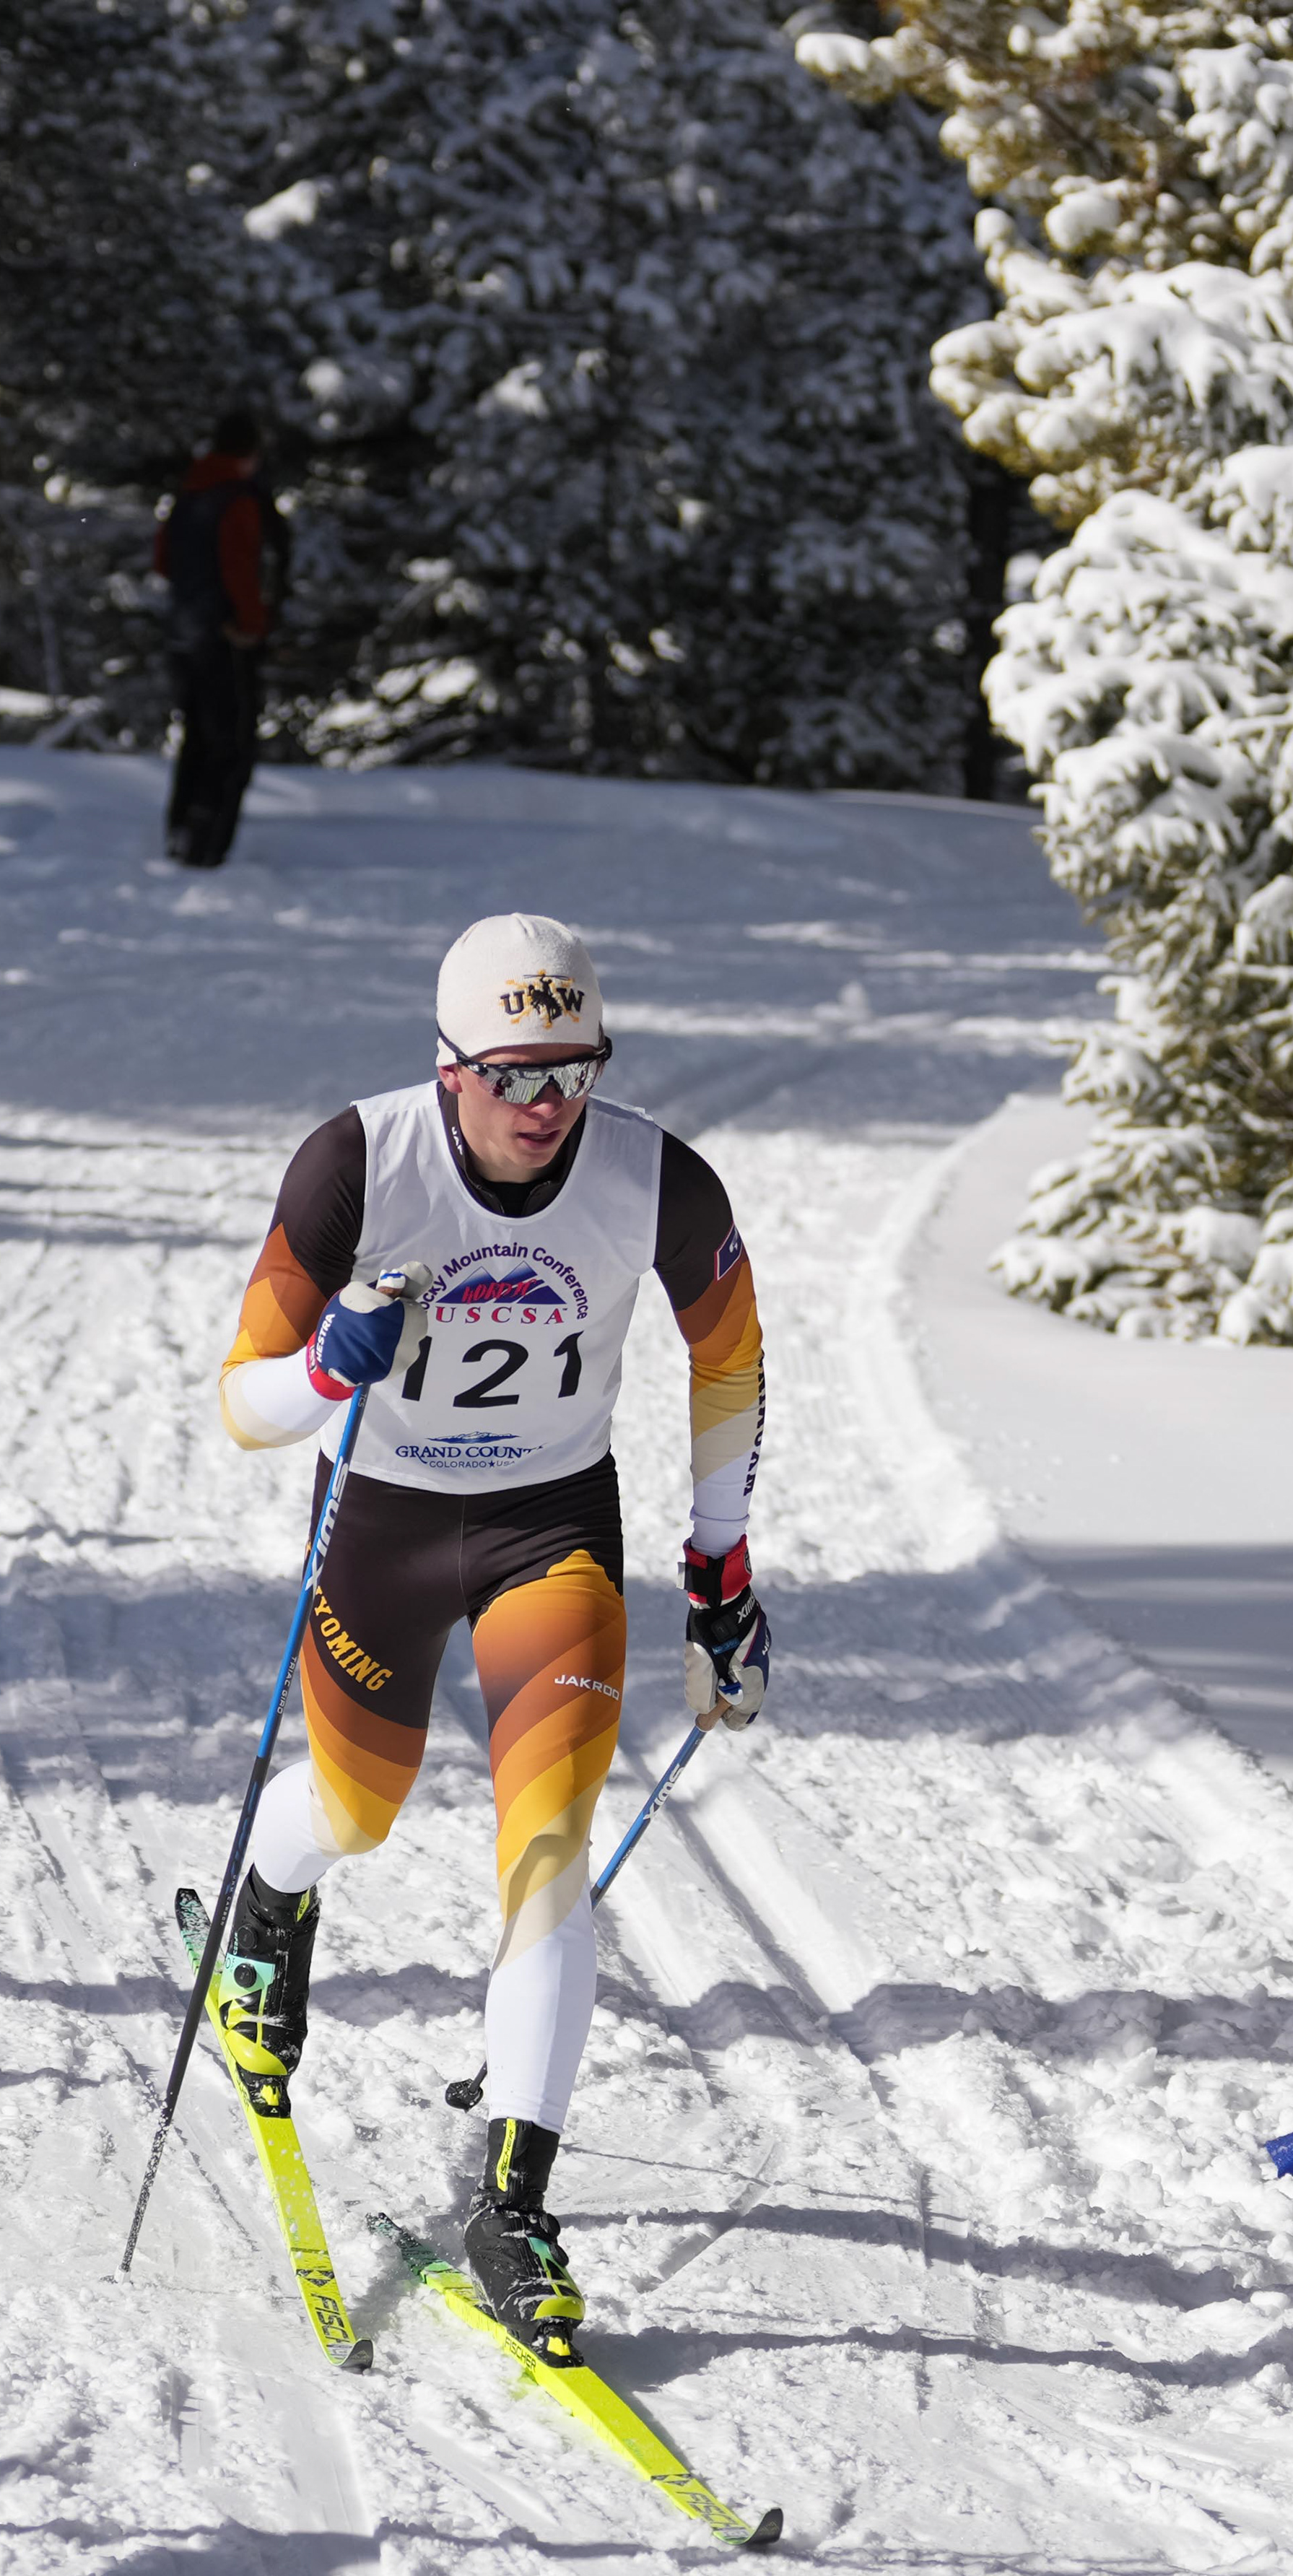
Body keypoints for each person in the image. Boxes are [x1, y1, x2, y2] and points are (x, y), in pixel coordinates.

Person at [209, 913, 771, 2351]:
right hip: (384, 1525)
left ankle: (513, 2200)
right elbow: (243, 1399)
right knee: (357, 1806)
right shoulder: (358, 1161)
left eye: (575, 1071)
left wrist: (720, 1564)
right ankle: (267, 1901)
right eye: (515, 1075)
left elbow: (729, 1356)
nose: (547, 1105)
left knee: (548, 1849)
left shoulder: (655, 1179)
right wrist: (327, 1368)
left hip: (550, 1529)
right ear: (449, 1066)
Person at [155, 409, 289, 868]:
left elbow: (163, 561)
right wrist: (251, 626)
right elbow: (241, 569)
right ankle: (207, 846)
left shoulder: (189, 492)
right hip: (225, 639)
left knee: (196, 737)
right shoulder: (239, 499)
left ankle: (180, 831)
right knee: (230, 744)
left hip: (184, 633)